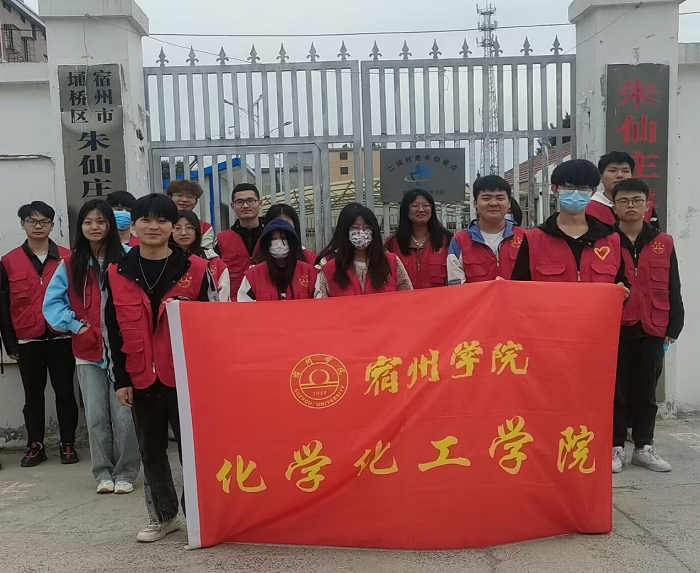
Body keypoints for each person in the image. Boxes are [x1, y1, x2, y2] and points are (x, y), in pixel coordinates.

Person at [103, 193, 218, 543]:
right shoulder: (116, 272)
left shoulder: (195, 269)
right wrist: (120, 379)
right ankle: (164, 517)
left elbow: (214, 325)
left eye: (162, 220)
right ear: (134, 225)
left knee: (194, 451)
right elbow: (110, 330)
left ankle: (198, 515)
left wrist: (206, 377)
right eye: (146, 219)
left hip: (185, 376)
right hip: (140, 376)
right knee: (151, 451)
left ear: (173, 227)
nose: (153, 226)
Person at [43, 200, 140, 493]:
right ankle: (103, 474)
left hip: (123, 350)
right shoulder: (70, 263)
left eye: (100, 221)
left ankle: (126, 472)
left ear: (110, 224)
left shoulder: (129, 258)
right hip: (88, 351)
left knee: (124, 415)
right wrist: (77, 326)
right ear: (80, 227)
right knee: (96, 416)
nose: (94, 227)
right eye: (88, 222)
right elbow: (52, 303)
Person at [612, 178, 684, 473]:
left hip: (654, 325)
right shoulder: (606, 241)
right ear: (614, 206)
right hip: (616, 326)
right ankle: (615, 447)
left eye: (637, 201)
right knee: (616, 391)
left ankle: (643, 446)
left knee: (647, 393)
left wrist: (674, 325)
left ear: (647, 205)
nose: (630, 206)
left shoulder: (663, 242)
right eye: (623, 201)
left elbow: (673, 284)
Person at [0, 201, 78, 467]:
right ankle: (36, 445)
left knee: (65, 393)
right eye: (32, 221)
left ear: (52, 226)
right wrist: (10, 343)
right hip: (28, 339)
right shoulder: (8, 261)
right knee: (32, 397)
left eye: (44, 221)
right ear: (23, 224)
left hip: (62, 337)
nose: (38, 226)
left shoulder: (68, 257)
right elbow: (4, 306)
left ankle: (68, 444)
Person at [511, 159, 629, 291]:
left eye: (583, 189)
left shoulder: (611, 239)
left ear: (593, 191)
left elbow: (621, 283)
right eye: (569, 188)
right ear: (555, 190)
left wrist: (623, 292)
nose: (576, 194)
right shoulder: (533, 240)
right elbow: (518, 289)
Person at [315, 202, 413, 297]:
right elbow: (322, 304)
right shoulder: (330, 269)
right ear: (346, 232)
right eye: (355, 228)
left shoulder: (391, 263)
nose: (361, 232)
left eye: (366, 228)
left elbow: (408, 297)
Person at [447, 175, 527, 284]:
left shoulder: (526, 238)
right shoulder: (459, 241)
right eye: (486, 198)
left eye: (500, 198)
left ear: (509, 203)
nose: (493, 203)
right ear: (475, 203)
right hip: (475, 296)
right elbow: (456, 286)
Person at [385, 189, 452, 289]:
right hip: (405, 298)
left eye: (426, 205)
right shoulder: (393, 243)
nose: (421, 209)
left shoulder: (447, 241)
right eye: (414, 206)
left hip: (439, 298)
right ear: (405, 210)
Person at [239, 218, 318, 301]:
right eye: (273, 239)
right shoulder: (252, 277)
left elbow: (321, 304)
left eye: (283, 238)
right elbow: (244, 305)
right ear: (266, 243)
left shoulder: (311, 274)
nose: (279, 244)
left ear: (292, 242)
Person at [587, 151, 660, 229]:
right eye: (612, 171)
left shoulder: (644, 205)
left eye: (625, 171)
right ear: (601, 177)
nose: (620, 175)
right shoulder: (588, 208)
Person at [215, 183, 264, 295]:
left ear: (260, 203)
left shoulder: (272, 235)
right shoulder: (222, 240)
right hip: (234, 300)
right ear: (232, 206)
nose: (245, 206)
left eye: (250, 200)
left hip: (268, 299)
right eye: (239, 202)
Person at [172, 210, 231, 302]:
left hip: (208, 309)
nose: (183, 233)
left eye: (189, 227)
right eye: (177, 228)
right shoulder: (163, 259)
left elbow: (224, 296)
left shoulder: (212, 260)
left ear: (197, 230)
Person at [165, 180, 215, 249]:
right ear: (170, 198)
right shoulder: (161, 223)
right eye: (179, 195)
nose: (184, 200)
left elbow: (207, 251)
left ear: (196, 202)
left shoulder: (205, 227)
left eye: (190, 197)